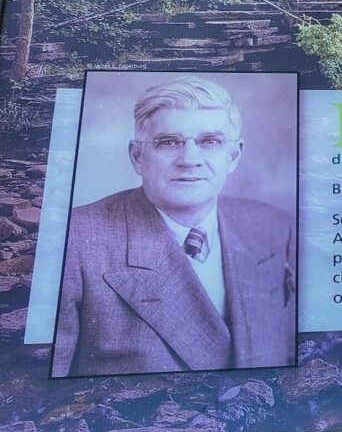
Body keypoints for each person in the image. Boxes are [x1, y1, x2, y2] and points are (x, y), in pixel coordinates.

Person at [52, 75, 296, 377]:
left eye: (210, 142)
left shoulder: (272, 227)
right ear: (137, 156)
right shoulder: (74, 239)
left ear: (233, 156)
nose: (190, 159)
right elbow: (45, 400)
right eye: (169, 142)